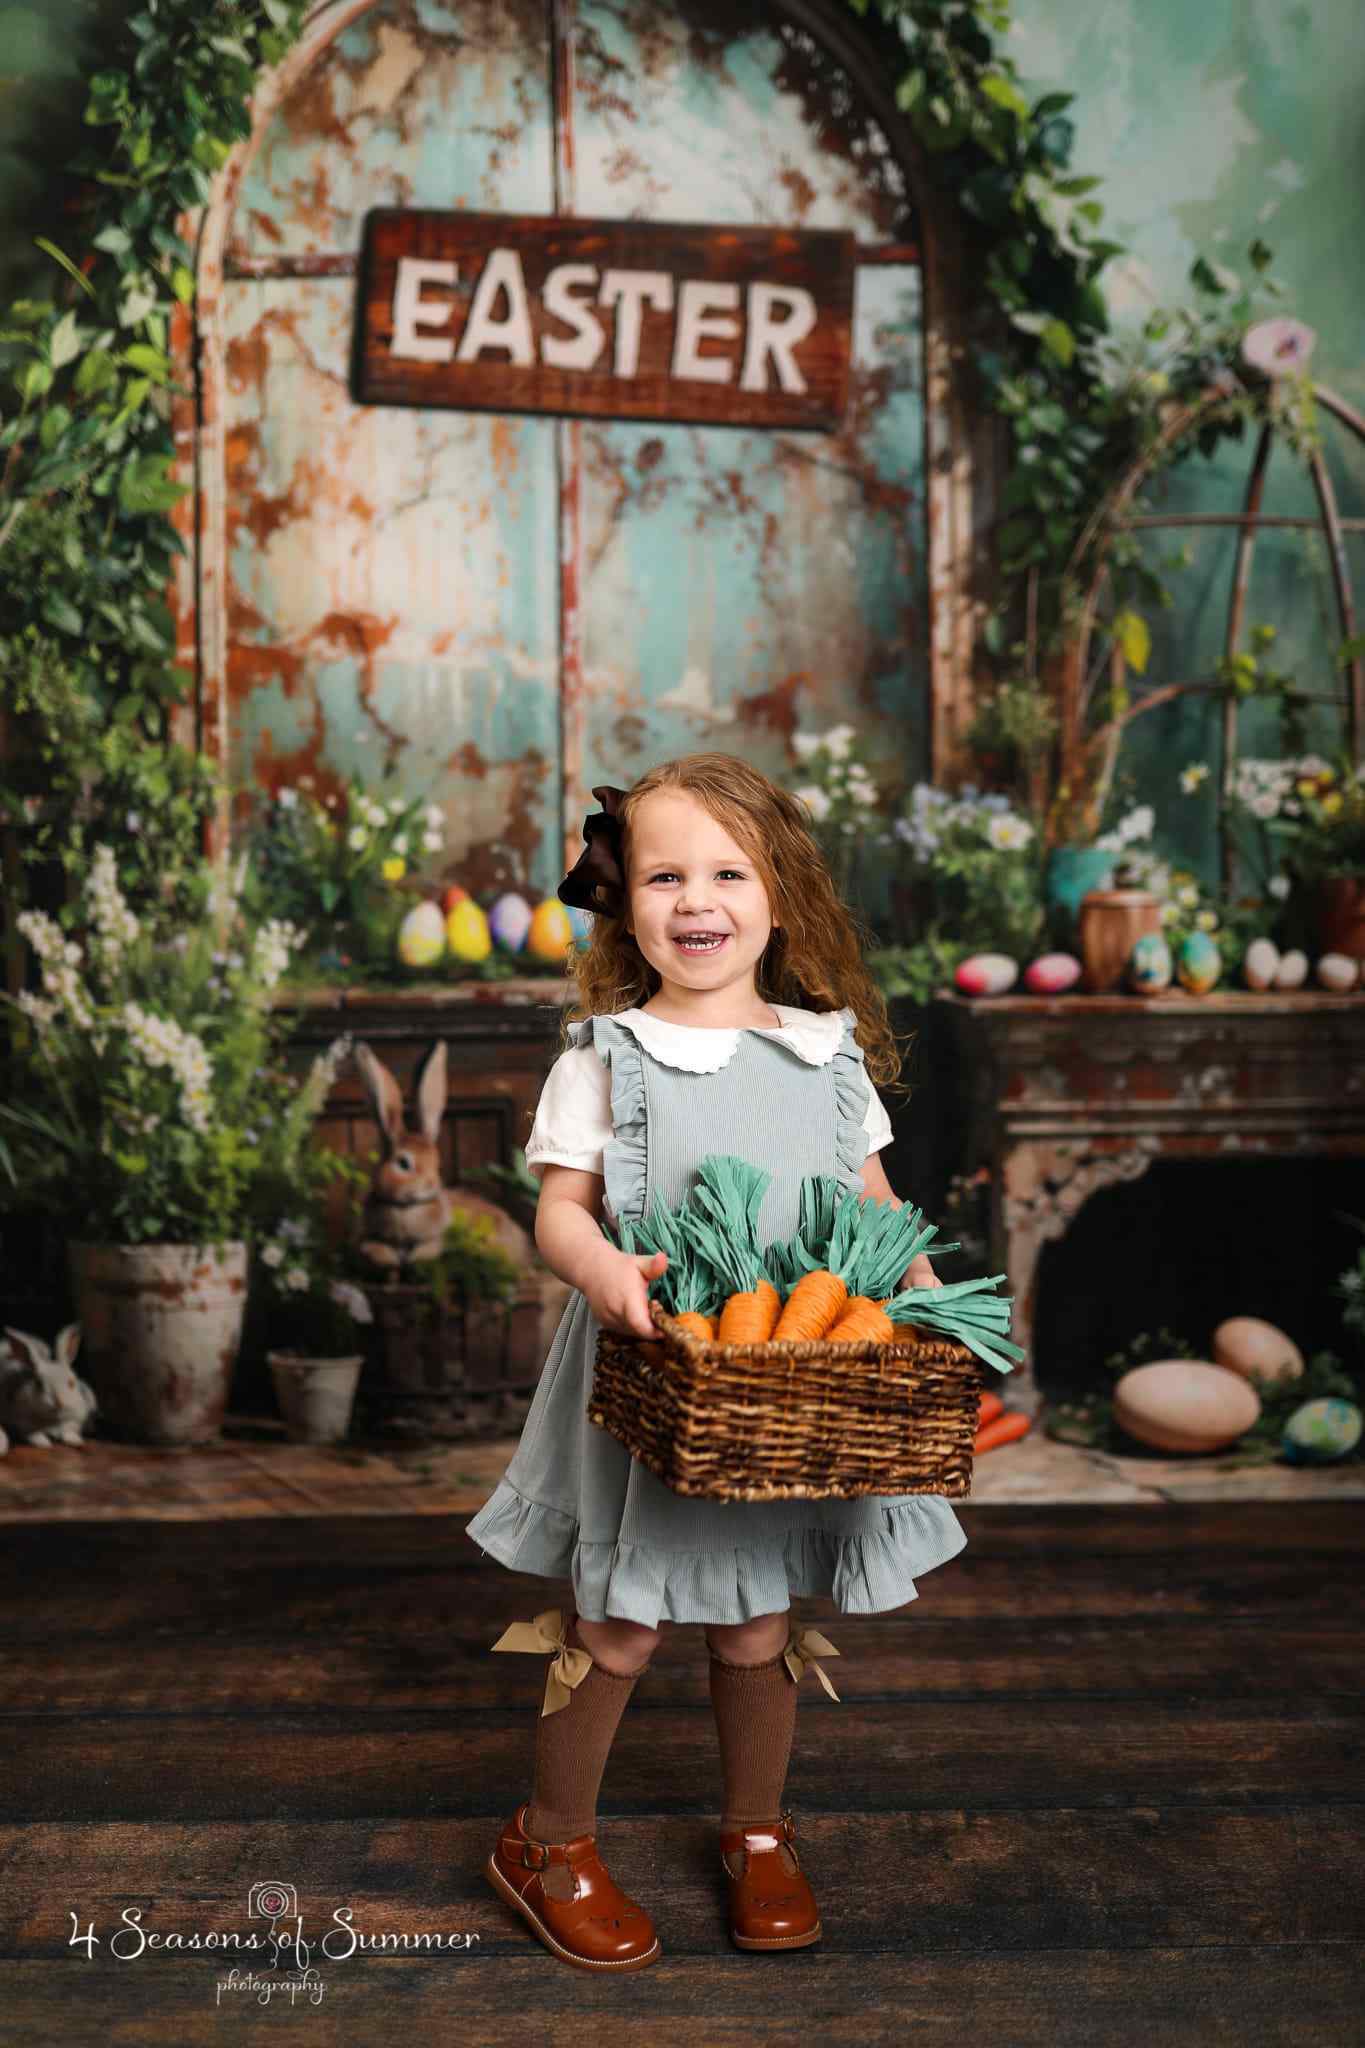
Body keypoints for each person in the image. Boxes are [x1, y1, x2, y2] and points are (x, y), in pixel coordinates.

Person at [469, 751, 967, 1973]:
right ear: (625, 901)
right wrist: (604, 1274)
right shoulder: (608, 1056)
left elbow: (874, 1200)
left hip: (788, 1393)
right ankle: (549, 1838)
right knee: (622, 1621)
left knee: (757, 1620)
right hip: (657, 1375)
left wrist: (922, 1292)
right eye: (665, 874)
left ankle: (755, 1829)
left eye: (729, 871)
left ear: (781, 894)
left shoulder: (826, 1054)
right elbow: (562, 1213)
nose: (699, 899)